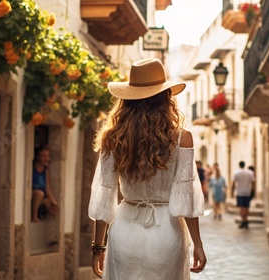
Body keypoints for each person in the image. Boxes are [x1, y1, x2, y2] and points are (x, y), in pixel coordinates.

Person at [88, 58, 207, 279]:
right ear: (166, 97)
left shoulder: (113, 138)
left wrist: (98, 247)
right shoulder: (182, 138)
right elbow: (185, 197)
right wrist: (197, 244)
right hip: (166, 233)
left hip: (125, 230)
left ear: (128, 99)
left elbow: (105, 194)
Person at [31, 145, 60, 223]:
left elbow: (47, 188)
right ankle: (34, 217)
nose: (46, 159)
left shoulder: (45, 171)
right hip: (33, 194)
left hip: (41, 197)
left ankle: (45, 220)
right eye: (43, 156)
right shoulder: (32, 168)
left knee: (51, 203)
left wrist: (54, 202)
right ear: (38, 156)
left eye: (48, 156)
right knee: (39, 194)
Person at [231, 161, 255, 229]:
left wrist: (232, 192)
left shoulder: (236, 173)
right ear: (244, 165)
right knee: (246, 207)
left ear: (239, 165)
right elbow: (253, 183)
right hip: (247, 192)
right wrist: (253, 191)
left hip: (240, 192)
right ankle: (245, 220)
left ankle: (243, 221)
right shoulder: (250, 173)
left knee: (242, 208)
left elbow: (233, 183)